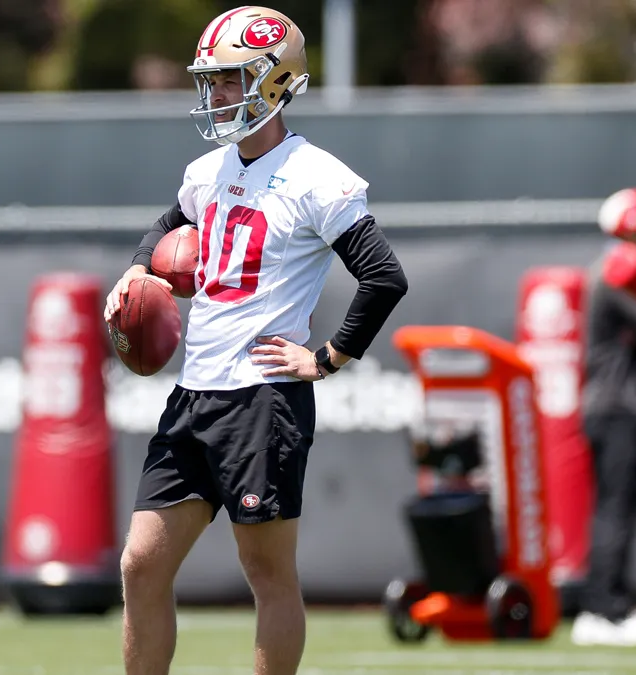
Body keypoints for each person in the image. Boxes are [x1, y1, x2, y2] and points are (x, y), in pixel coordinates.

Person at [102, 7, 408, 674]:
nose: (217, 96)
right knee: (141, 562)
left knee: (266, 572)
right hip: (195, 394)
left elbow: (384, 276)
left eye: (231, 81)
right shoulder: (207, 171)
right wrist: (135, 267)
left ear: (276, 83)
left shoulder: (316, 175)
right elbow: (167, 223)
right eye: (211, 82)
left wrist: (327, 357)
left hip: (263, 399)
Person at [571, 187, 636, 647]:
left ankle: (608, 605)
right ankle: (604, 610)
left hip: (617, 408)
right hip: (616, 409)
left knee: (619, 508)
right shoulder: (616, 272)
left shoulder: (620, 270)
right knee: (615, 510)